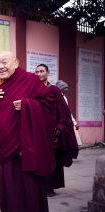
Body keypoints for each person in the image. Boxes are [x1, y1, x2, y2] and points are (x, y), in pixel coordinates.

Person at [0, 51, 56, 212]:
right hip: (5, 144)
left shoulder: (31, 80)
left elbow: (49, 103)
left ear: (16, 63)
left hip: (29, 143)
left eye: (4, 62)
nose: (0, 66)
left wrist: (28, 105)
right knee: (9, 182)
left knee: (31, 181)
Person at [35, 64, 79, 197]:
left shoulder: (53, 90)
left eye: (42, 71)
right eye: (36, 71)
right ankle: (38, 185)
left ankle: (50, 187)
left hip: (52, 131)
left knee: (52, 159)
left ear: (48, 73)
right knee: (38, 159)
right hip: (38, 130)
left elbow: (64, 112)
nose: (38, 74)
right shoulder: (33, 90)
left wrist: (59, 127)